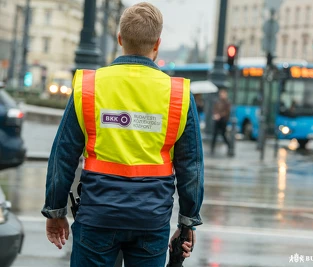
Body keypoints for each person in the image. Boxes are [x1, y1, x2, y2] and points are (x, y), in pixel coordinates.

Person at [41, 3, 204, 267]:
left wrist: (55, 210)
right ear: (157, 44)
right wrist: (187, 222)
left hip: (98, 215)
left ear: (119, 39)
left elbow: (63, 154)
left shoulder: (89, 86)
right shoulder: (178, 94)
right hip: (151, 219)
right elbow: (191, 167)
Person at [211, 88, 232, 156]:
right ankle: (212, 148)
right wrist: (215, 115)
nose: (222, 95)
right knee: (215, 134)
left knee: (223, 134)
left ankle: (229, 147)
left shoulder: (227, 102)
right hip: (217, 120)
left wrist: (219, 115)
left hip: (223, 121)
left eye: (223, 94)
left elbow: (227, 112)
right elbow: (214, 109)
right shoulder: (217, 101)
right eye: (221, 94)